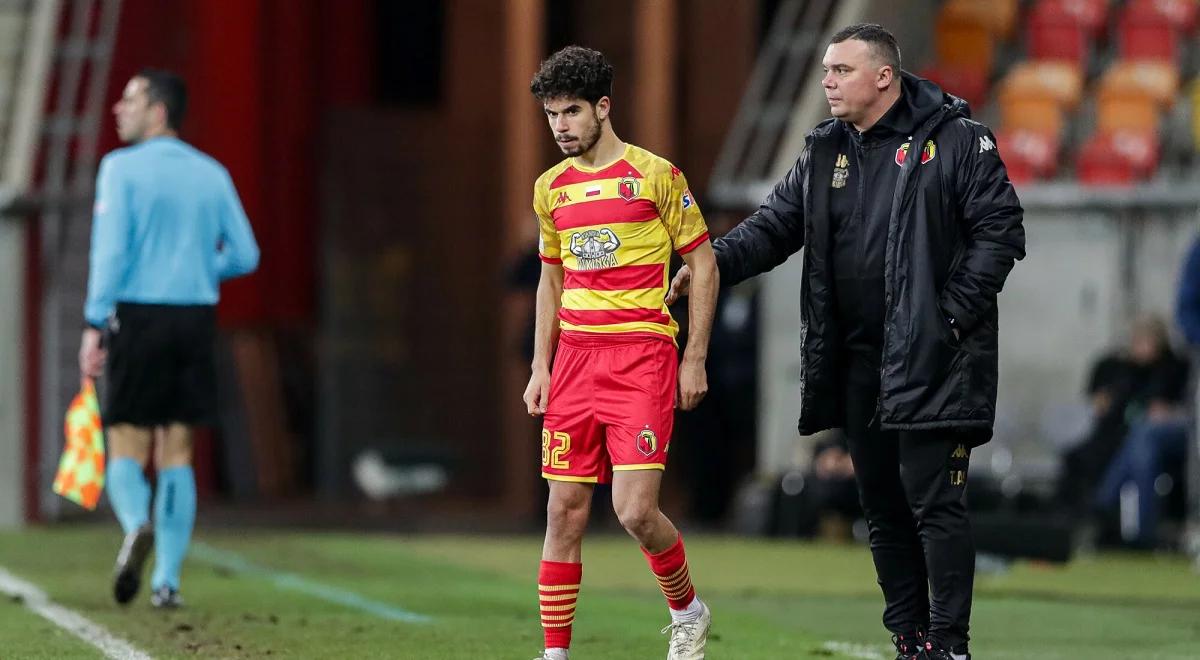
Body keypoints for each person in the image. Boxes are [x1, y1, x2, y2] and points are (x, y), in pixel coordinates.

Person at [667, 24, 1024, 660]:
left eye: (840, 70)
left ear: (883, 77)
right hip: (858, 358)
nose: (826, 81)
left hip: (932, 357)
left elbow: (1000, 232)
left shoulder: (959, 140)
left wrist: (946, 321)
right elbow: (776, 225)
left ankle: (950, 644)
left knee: (935, 504)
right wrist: (710, 265)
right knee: (882, 505)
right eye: (826, 70)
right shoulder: (825, 146)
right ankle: (910, 638)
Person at [523, 46, 719, 660]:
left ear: (603, 108)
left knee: (634, 512)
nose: (560, 125)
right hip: (576, 362)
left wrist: (694, 356)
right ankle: (555, 654)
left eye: (572, 112)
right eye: (552, 114)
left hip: (642, 359)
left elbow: (703, 263)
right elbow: (550, 281)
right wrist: (540, 366)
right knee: (564, 512)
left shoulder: (656, 176)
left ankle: (688, 609)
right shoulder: (549, 190)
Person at [79, 69, 260, 608]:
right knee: (178, 450)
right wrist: (198, 267)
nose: (118, 108)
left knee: (128, 442)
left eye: (130, 99)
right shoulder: (212, 173)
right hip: (195, 318)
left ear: (158, 110)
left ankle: (137, 525)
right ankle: (167, 583)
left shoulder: (120, 169)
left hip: (138, 317)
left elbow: (108, 253)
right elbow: (247, 254)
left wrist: (94, 321)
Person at [1091, 317, 1189, 548]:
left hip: (1162, 435)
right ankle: (1140, 530)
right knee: (1139, 443)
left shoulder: (1174, 368)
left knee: (1141, 438)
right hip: (1126, 436)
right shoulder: (1125, 371)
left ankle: (1104, 504)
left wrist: (1169, 412)